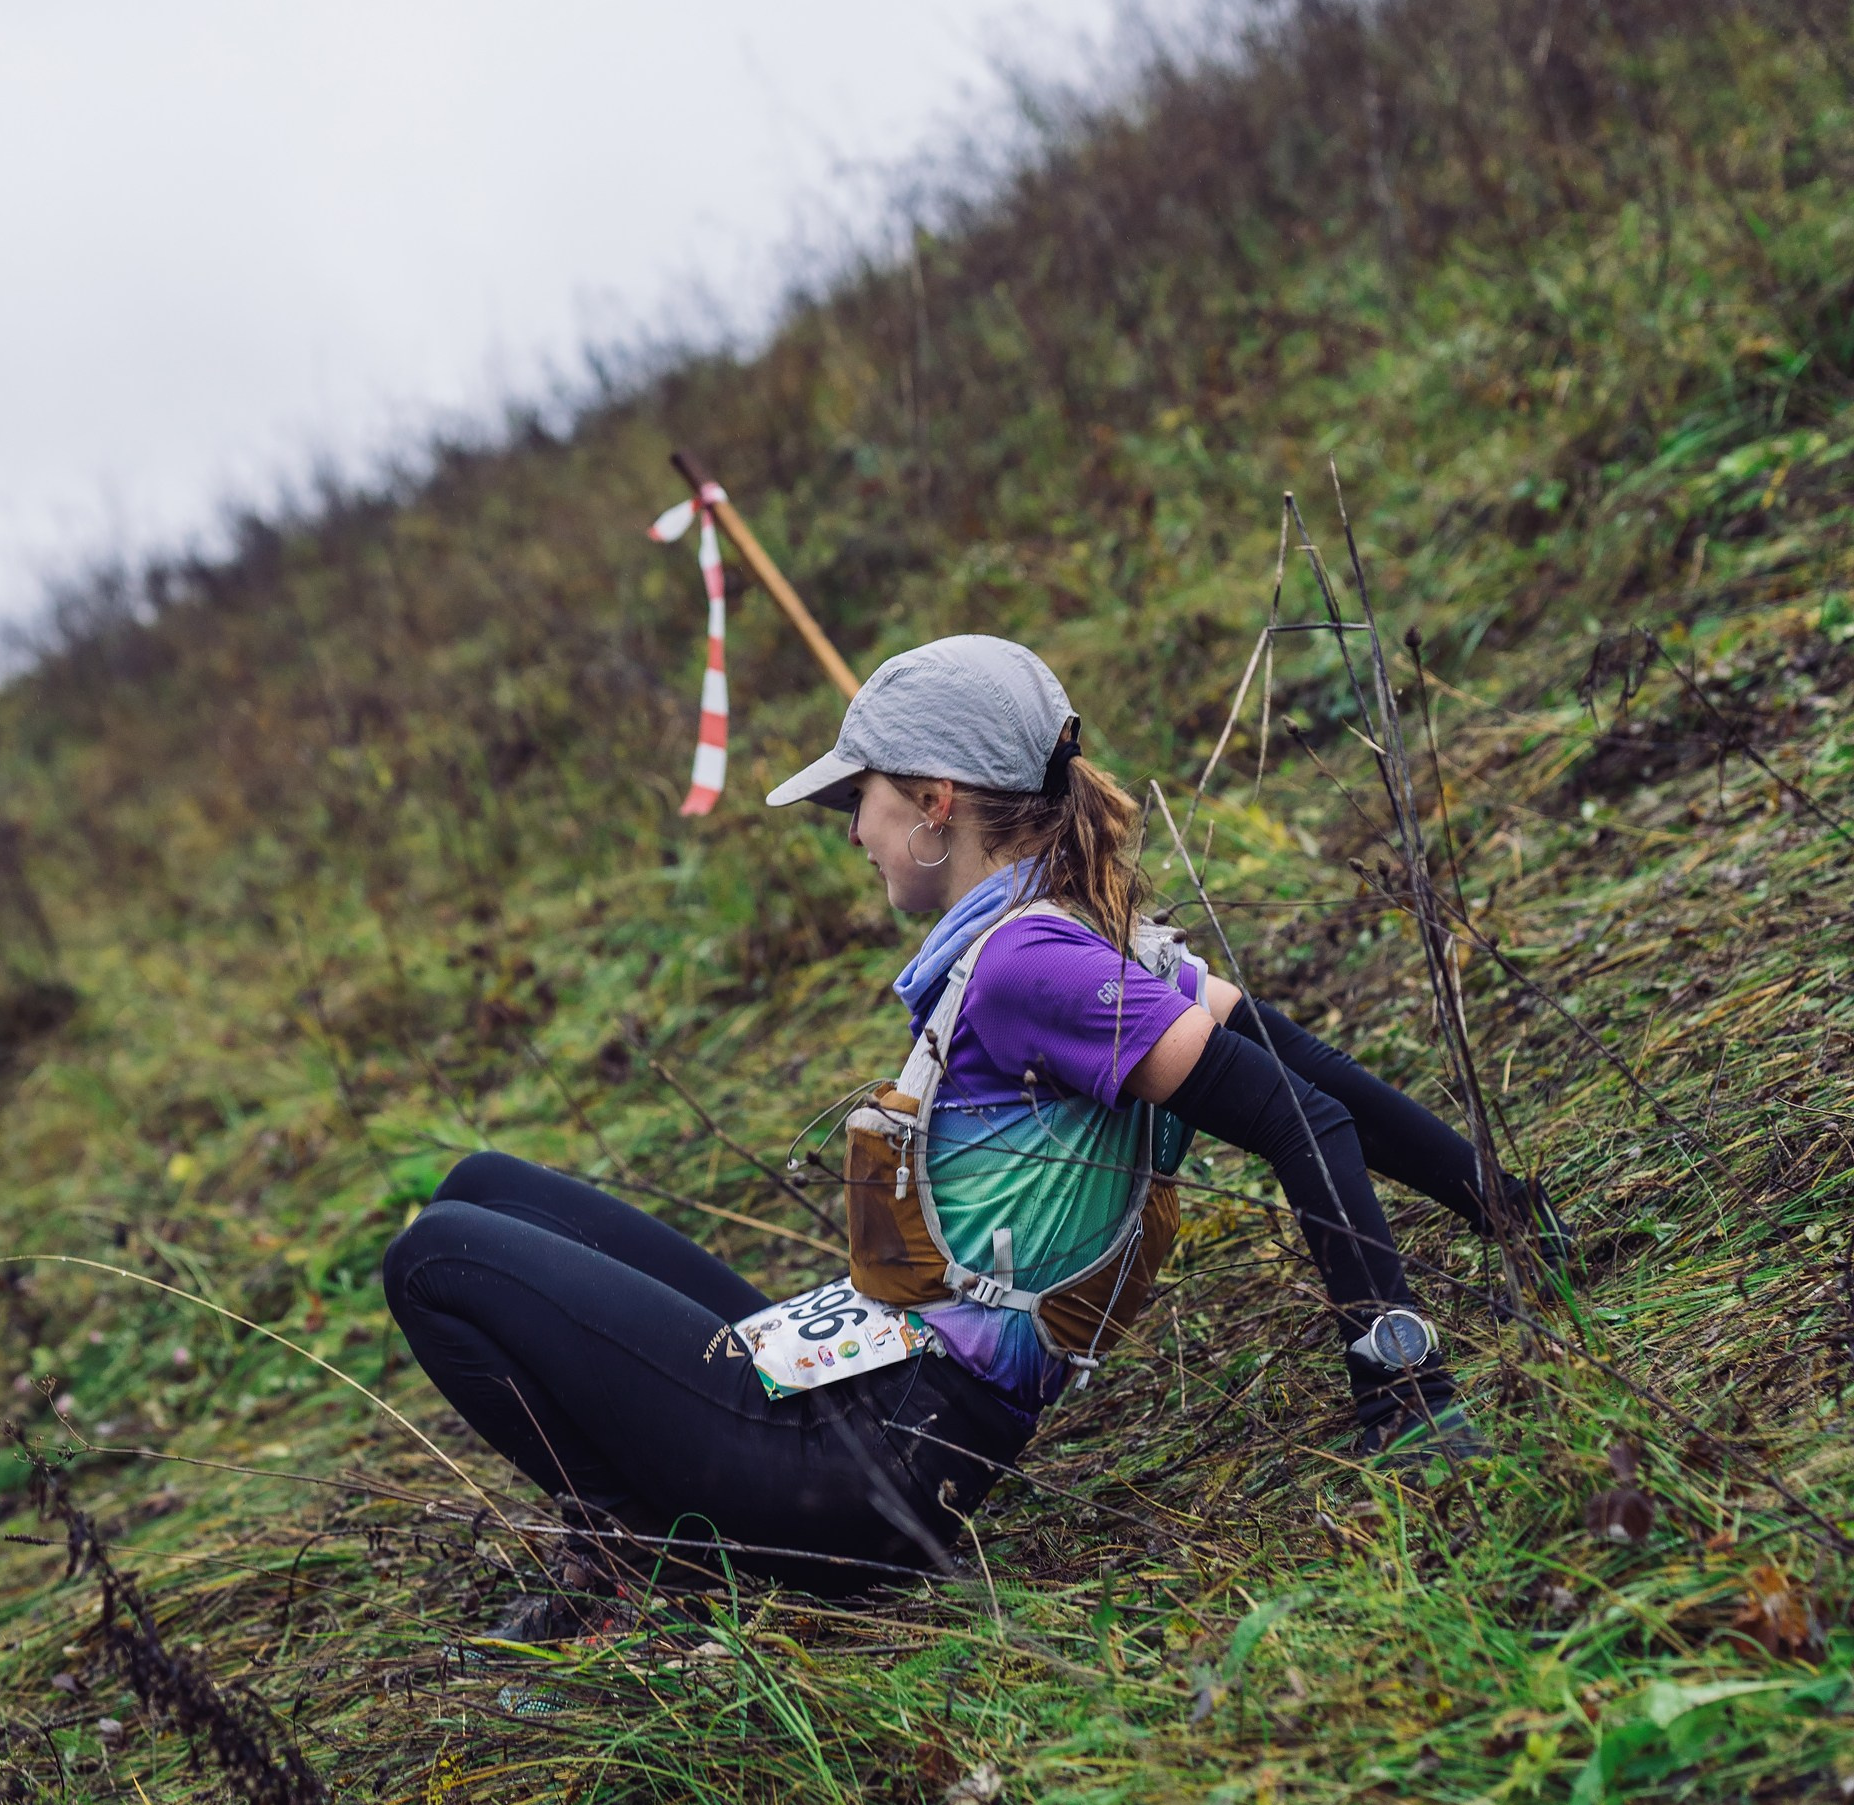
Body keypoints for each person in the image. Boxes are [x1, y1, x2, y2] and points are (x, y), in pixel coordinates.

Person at [383, 635, 1543, 1610]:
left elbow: (1305, 1117)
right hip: (857, 1376)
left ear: (935, 804)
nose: (854, 833)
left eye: (863, 800)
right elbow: (1319, 1075)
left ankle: (657, 1558)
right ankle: (655, 1538)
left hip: (862, 1474)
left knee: (434, 1260)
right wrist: (1513, 1216)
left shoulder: (1023, 966)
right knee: (486, 1187)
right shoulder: (1089, 941)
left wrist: (1401, 1384)